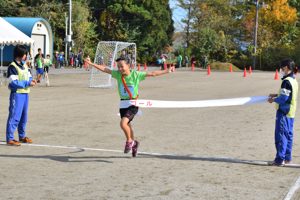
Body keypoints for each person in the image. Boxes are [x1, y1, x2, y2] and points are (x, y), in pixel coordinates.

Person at [85, 56, 175, 157]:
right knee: (128, 126)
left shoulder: (136, 75)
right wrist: (91, 63)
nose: (120, 69)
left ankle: (129, 141)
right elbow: (105, 70)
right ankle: (135, 143)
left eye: (122, 66)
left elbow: (153, 73)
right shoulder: (118, 75)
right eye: (118, 67)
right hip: (123, 104)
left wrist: (168, 71)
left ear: (128, 65)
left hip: (133, 104)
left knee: (123, 123)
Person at [268, 58, 298, 166]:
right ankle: (287, 157)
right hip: (291, 113)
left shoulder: (286, 81)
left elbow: (284, 98)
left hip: (284, 112)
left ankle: (280, 160)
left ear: (285, 68)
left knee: (281, 136)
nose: (280, 69)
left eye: (281, 67)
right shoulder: (293, 80)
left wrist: (273, 100)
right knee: (288, 135)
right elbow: (288, 94)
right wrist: (276, 95)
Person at [6, 44, 37, 146]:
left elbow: (28, 76)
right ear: (20, 54)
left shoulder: (24, 65)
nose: (26, 56)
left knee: (23, 117)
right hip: (17, 94)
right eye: (25, 54)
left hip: (25, 94)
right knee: (14, 116)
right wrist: (27, 83)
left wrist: (31, 81)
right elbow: (13, 82)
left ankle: (22, 136)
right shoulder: (12, 67)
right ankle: (10, 138)